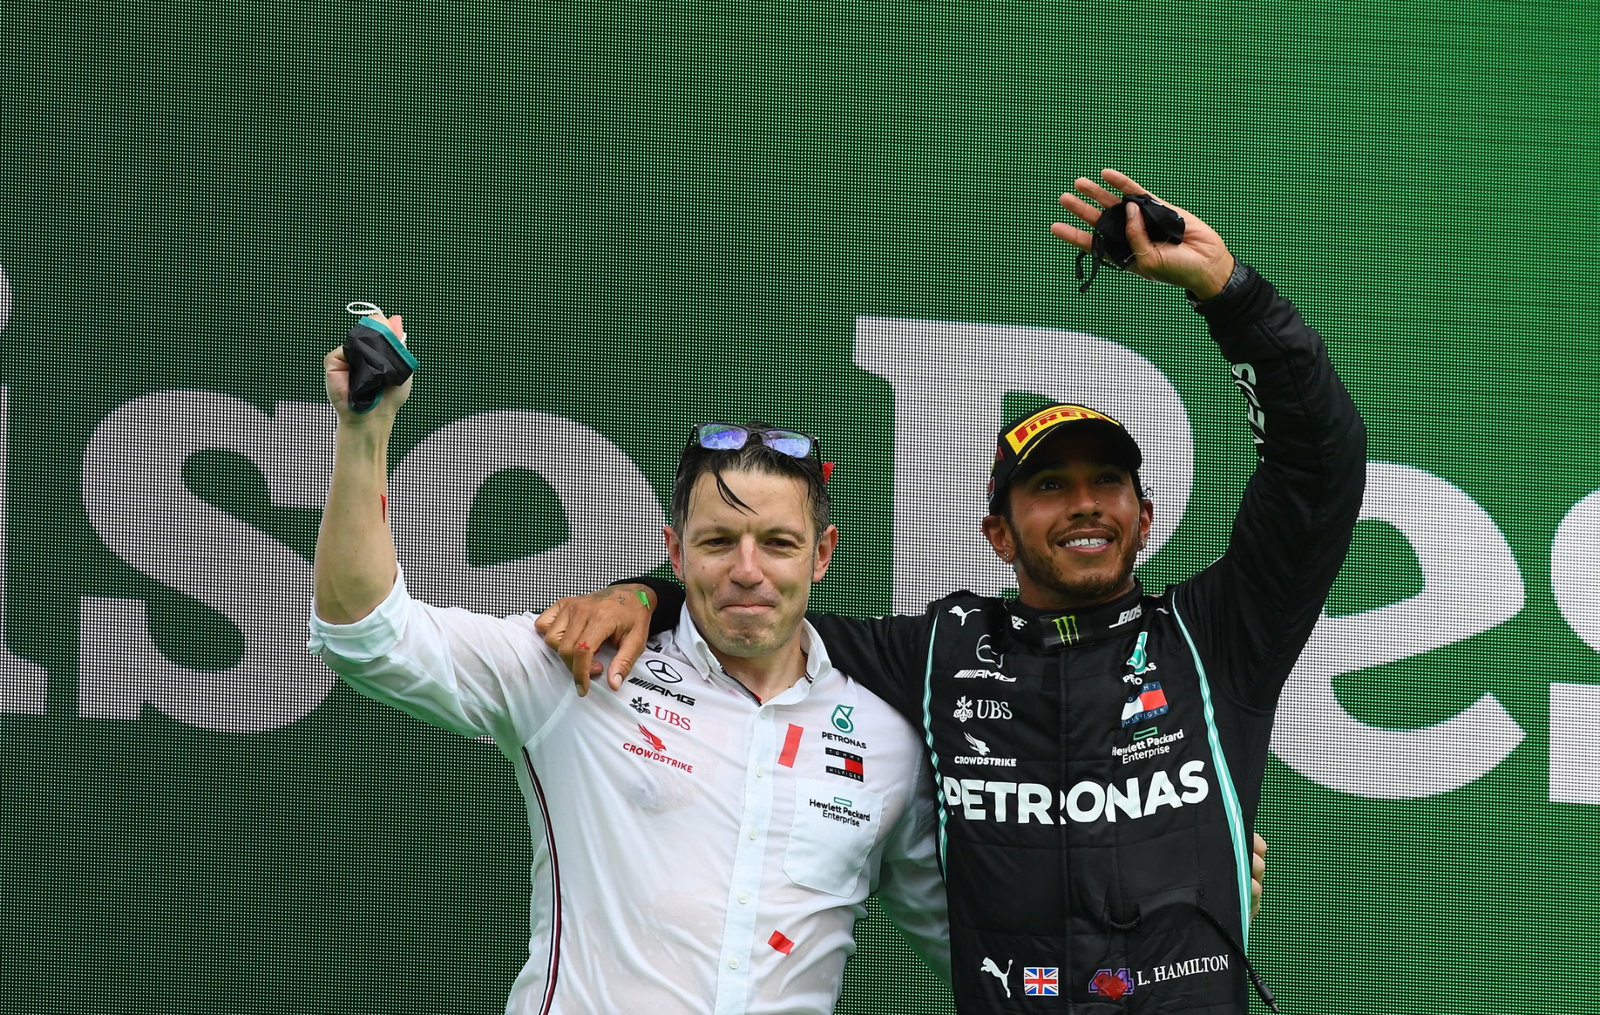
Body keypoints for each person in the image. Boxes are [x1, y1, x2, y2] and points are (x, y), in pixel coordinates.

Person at [537, 169, 1365, 1013]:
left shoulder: (1217, 635)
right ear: (996, 533)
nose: (1084, 502)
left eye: (1107, 480)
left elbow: (1319, 468)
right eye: (1048, 486)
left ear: (1144, 516)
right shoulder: (944, 650)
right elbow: (759, 610)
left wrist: (1229, 294)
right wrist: (646, 594)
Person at [307, 334, 953, 1014]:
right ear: (674, 550)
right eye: (716, 541)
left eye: (778, 543)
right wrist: (364, 427)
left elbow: (975, 949)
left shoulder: (887, 741)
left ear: (822, 554)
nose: (747, 568)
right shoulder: (578, 666)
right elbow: (366, 631)